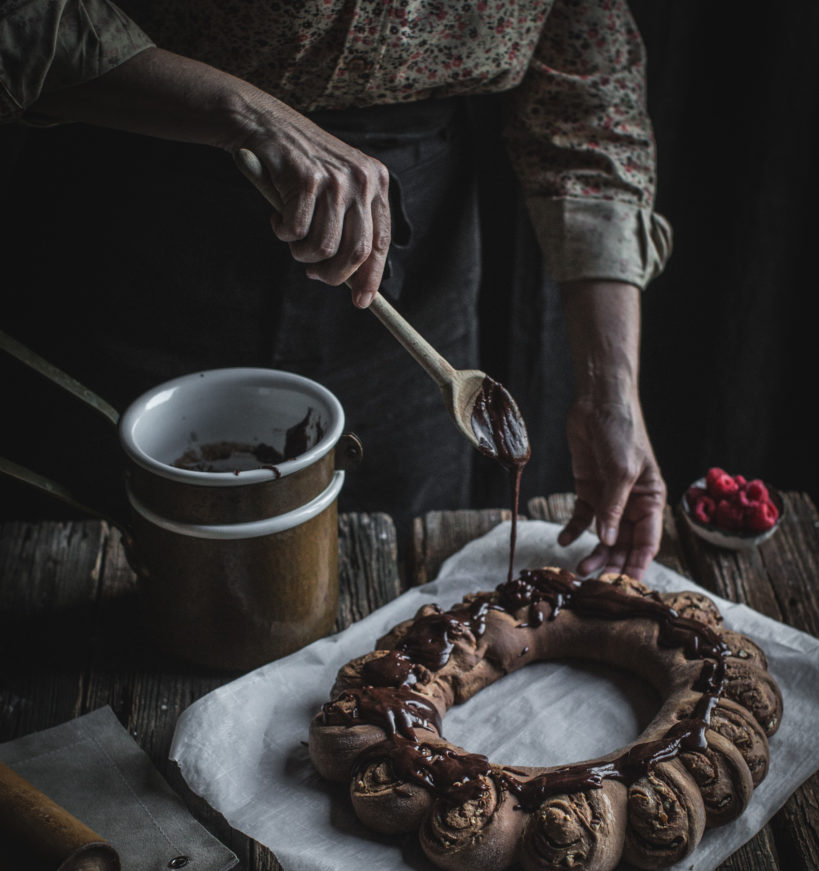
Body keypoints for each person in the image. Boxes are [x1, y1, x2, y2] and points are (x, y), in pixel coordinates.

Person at [0, 0, 671, 579]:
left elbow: (587, 111)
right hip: (136, 220)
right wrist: (245, 112)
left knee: (395, 563)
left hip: (412, 252)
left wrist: (609, 388)